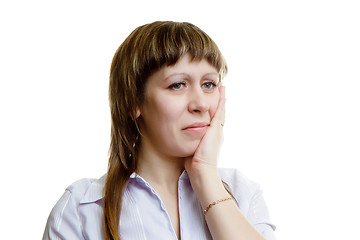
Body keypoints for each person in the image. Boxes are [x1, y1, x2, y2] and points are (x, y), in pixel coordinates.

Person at [43, 21, 276, 240]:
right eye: (177, 85)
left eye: (209, 84)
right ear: (134, 100)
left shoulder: (243, 194)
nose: (201, 104)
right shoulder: (81, 208)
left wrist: (206, 176)